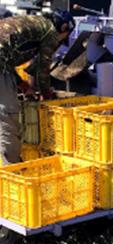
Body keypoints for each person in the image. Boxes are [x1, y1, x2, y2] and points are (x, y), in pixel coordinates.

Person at [0, 10, 75, 165]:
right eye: (65, 37)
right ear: (64, 28)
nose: (61, 42)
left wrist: (21, 83)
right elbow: (43, 68)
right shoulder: (50, 32)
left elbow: (6, 54)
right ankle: (11, 170)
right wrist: (46, 93)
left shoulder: (35, 22)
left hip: (3, 63)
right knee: (8, 117)